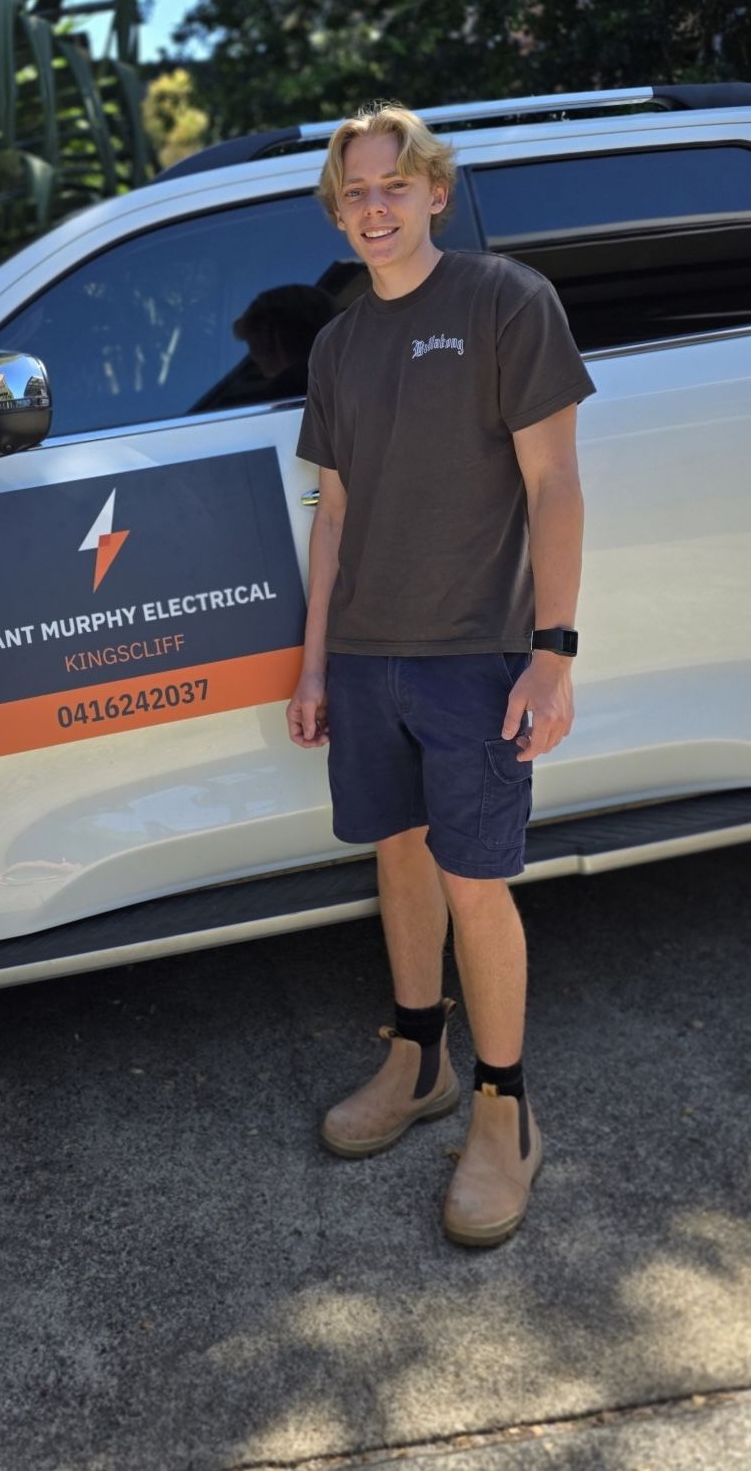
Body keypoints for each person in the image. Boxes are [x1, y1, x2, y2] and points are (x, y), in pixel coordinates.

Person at [287, 101, 594, 1248]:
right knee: (400, 860)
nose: (374, 209)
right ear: (340, 210)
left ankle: (505, 1109)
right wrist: (317, 660)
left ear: (432, 191)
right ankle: (418, 1056)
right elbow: (336, 513)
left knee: (476, 877)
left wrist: (551, 654)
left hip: (476, 651)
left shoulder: (505, 302)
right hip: (367, 654)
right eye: (354, 194)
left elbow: (555, 484)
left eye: (391, 187)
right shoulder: (339, 343)